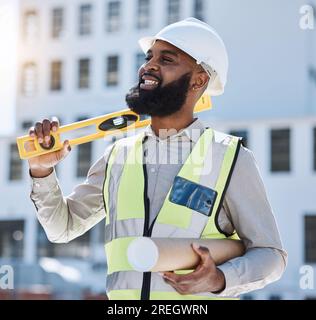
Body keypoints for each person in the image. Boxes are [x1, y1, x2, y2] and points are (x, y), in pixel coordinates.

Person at [27, 18, 287, 300]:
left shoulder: (230, 158)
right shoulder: (117, 156)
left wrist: (220, 278)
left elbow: (270, 255)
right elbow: (62, 228)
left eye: (167, 59)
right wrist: (42, 172)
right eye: (149, 56)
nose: (149, 65)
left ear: (199, 80)